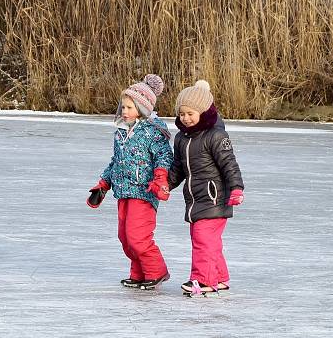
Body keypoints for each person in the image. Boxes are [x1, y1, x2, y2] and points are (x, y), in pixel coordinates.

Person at [87, 74, 174, 290]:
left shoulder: (152, 132)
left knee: (138, 237)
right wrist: (103, 184)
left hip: (144, 192)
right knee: (125, 238)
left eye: (129, 107)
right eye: (123, 106)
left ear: (142, 109)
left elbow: (165, 156)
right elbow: (116, 161)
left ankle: (156, 271)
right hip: (123, 192)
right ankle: (138, 273)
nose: (124, 111)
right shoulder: (121, 133)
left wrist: (160, 177)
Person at [167, 80, 244, 297]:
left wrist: (236, 188)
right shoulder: (182, 138)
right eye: (182, 114)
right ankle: (219, 277)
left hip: (214, 198)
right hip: (195, 200)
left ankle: (202, 281)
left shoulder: (216, 136)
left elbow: (230, 164)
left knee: (203, 241)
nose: (186, 118)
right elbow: (178, 167)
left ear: (203, 111)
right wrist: (166, 185)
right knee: (208, 242)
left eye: (191, 113)